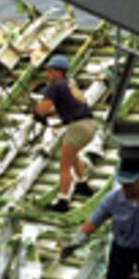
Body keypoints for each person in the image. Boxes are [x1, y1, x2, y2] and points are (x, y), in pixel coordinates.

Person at [34, 54, 96, 212]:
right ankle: (83, 184)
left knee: (64, 164)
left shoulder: (54, 86)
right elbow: (66, 108)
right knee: (73, 154)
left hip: (78, 127)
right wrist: (49, 116)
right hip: (90, 124)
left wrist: (37, 114)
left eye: (49, 71)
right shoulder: (69, 84)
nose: (47, 74)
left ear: (58, 72)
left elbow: (43, 108)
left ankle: (63, 201)